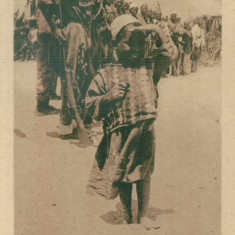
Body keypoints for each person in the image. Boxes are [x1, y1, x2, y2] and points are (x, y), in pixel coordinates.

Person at [86, 14, 173, 230]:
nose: (136, 47)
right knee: (122, 173)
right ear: (116, 44)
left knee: (143, 173)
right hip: (118, 134)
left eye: (140, 42)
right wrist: (108, 97)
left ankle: (143, 214)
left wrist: (156, 30)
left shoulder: (149, 68)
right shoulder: (106, 73)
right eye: (129, 42)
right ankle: (126, 213)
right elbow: (89, 104)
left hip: (145, 132)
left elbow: (169, 54)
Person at [27, 0, 60, 116]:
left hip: (44, 30)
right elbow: (48, 3)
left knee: (46, 68)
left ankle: (44, 103)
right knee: (44, 69)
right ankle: (42, 106)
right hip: (43, 31)